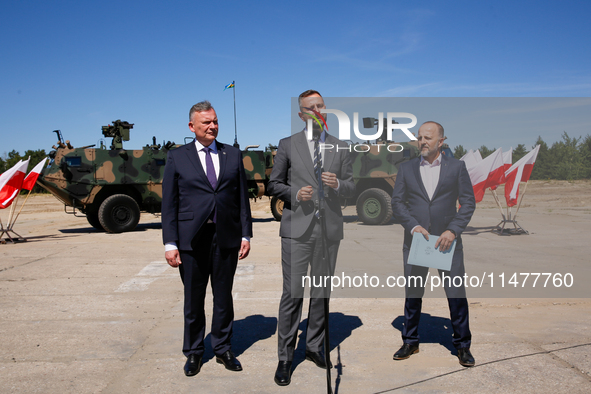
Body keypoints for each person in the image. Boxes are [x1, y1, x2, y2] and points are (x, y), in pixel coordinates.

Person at [268, 90, 355, 386]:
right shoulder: (288, 145)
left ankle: (315, 347)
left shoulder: (340, 146)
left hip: (328, 230)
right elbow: (273, 184)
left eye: (321, 106)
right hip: (297, 230)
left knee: (321, 293)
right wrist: (294, 193)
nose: (318, 111)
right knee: (293, 293)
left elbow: (352, 185)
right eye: (311, 108)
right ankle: (285, 357)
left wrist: (339, 184)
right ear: (301, 114)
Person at [161, 100, 253, 377]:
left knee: (223, 297)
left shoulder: (232, 155)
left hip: (226, 236)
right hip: (192, 240)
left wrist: (246, 233)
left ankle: (223, 347)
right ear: (192, 126)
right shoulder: (178, 157)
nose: (212, 126)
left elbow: (241, 199)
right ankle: (194, 352)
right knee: (194, 299)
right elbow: (170, 203)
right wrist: (170, 242)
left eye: (214, 121)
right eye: (206, 122)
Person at [390, 121, 476, 367]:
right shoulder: (406, 168)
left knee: (456, 295)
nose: (422, 142)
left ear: (441, 141)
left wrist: (453, 230)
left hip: (447, 243)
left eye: (427, 138)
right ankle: (410, 341)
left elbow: (468, 203)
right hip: (416, 241)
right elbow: (397, 203)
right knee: (413, 293)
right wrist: (413, 226)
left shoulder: (457, 167)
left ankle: (462, 346)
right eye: (419, 137)